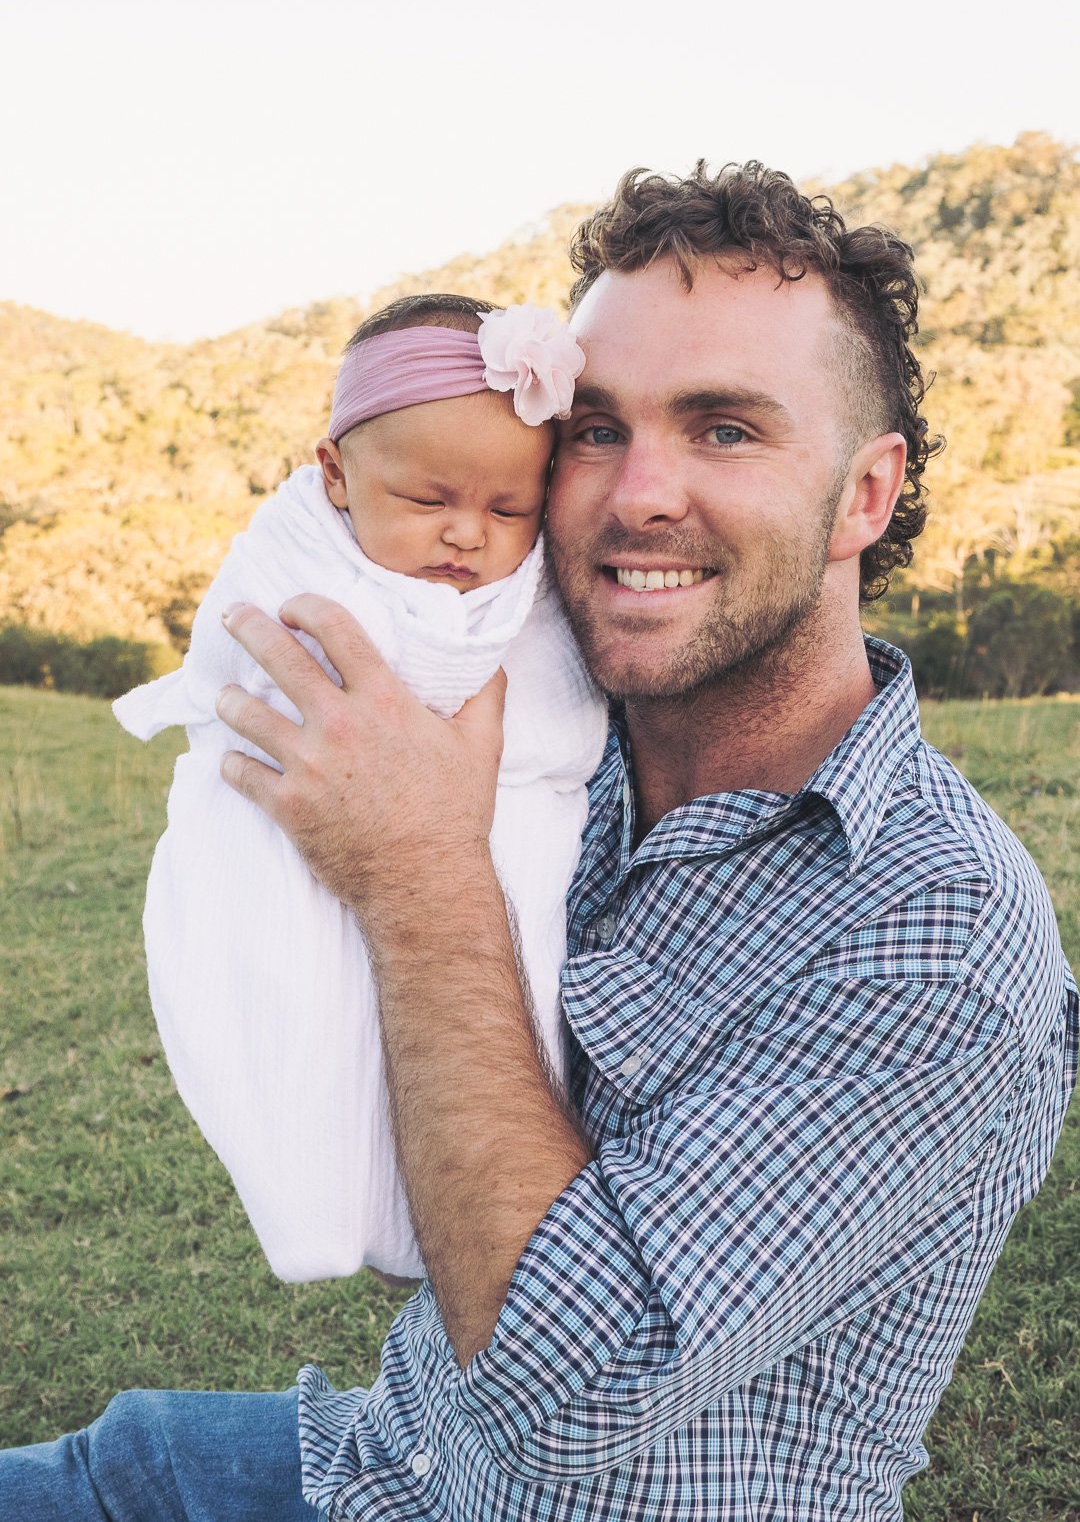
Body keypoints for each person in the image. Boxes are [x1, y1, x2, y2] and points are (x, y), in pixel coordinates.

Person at [3, 160, 1076, 1521]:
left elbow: (563, 1393)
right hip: (365, 1465)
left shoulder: (932, 931)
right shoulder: (565, 731)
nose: (636, 495)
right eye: (594, 429)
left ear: (865, 497)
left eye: (726, 429)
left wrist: (417, 870)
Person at [111, 294, 605, 1281]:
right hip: (295, 828)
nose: (469, 536)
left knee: (510, 1008)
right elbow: (254, 663)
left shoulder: (532, 584)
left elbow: (548, 692)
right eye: (430, 501)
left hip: (510, 821)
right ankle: (326, 1203)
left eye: (510, 509)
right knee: (306, 1016)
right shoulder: (293, 552)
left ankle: (454, 1208)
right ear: (335, 473)